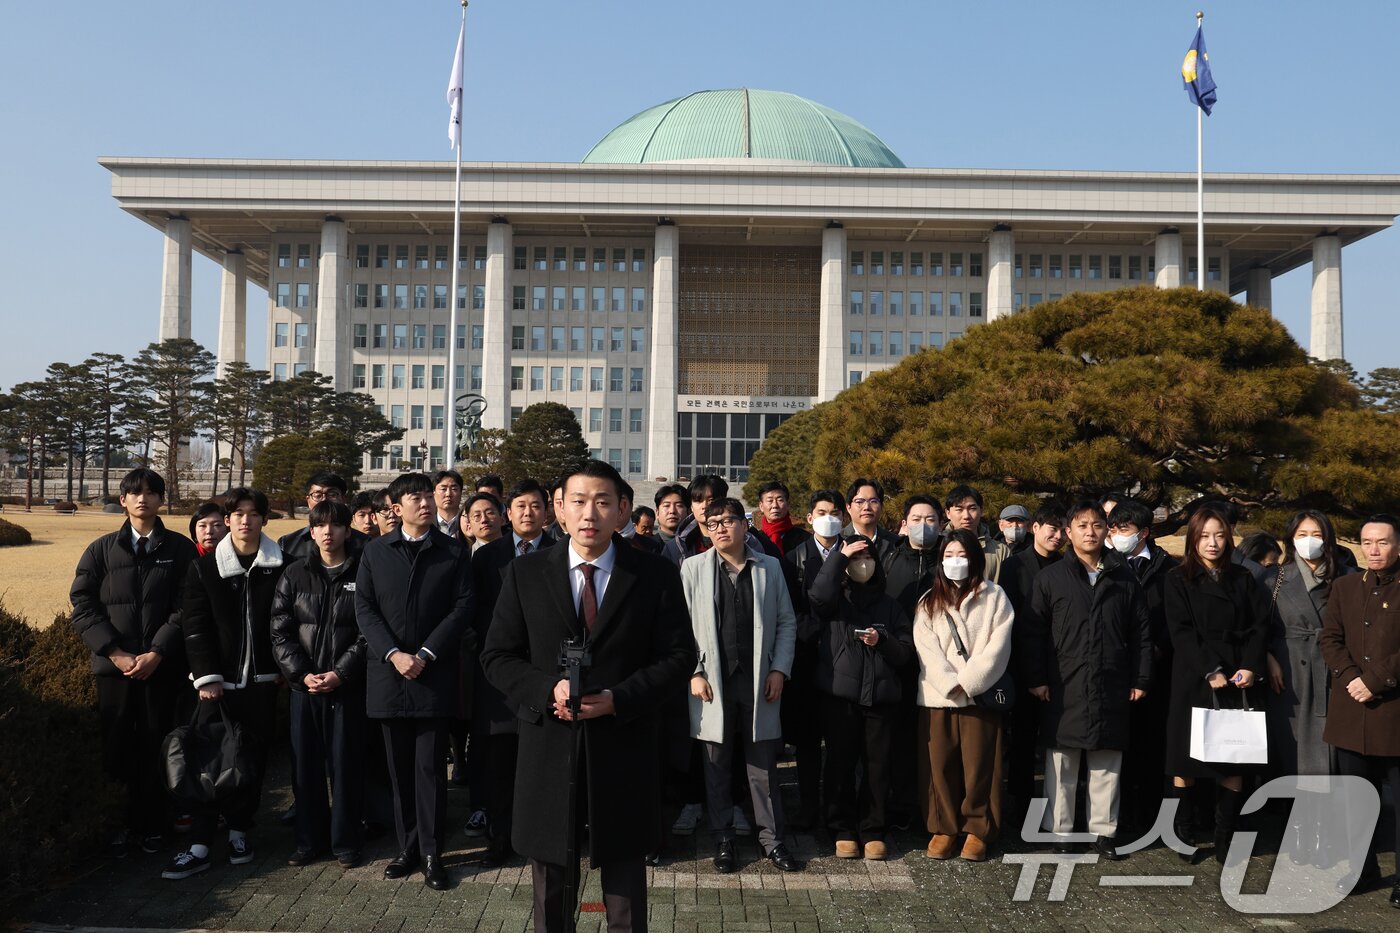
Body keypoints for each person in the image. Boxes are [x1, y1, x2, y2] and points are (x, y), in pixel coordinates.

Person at [482, 460, 696, 933]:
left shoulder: (654, 574)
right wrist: (545, 688)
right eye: (578, 501)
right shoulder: (526, 573)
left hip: (623, 745)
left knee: (624, 886)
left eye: (602, 502)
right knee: (550, 889)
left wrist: (620, 697)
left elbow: (680, 657)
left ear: (622, 509)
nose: (589, 514)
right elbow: (497, 656)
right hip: (548, 746)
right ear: (559, 508)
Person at [355, 472, 475, 891]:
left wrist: (424, 653)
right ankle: (405, 848)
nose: (425, 503)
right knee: (398, 768)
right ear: (396, 506)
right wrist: (394, 654)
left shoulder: (452, 551)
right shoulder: (375, 551)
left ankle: (431, 851)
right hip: (388, 674)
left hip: (432, 673)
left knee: (429, 769)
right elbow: (365, 608)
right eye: (415, 497)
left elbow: (462, 608)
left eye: (428, 496)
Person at [71, 468, 198, 858]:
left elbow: (186, 608)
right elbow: (83, 605)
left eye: (150, 492)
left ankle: (154, 826)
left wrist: (157, 651)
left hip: (163, 669)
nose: (142, 499)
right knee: (117, 748)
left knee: (159, 746)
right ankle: (117, 828)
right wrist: (115, 652)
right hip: (115, 671)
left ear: (162, 499)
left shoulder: (180, 549)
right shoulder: (100, 550)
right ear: (122, 500)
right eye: (133, 493)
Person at [164, 487, 286, 880]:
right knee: (207, 760)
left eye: (253, 514)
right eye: (238, 514)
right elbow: (195, 626)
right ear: (228, 519)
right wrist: (207, 677)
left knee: (251, 761)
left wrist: (285, 669)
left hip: (265, 683)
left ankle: (238, 834)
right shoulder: (205, 567)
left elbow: (286, 624)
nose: (245, 521)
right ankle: (200, 844)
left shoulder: (282, 564)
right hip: (215, 687)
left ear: (264, 519)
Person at [1020, 500, 1151, 860]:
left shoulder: (1124, 578)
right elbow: (1033, 633)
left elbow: (1141, 632)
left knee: (1106, 762)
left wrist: (1141, 678)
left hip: (1112, 679)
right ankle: (1060, 831)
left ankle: (1103, 832)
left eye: (1096, 525)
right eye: (1081, 525)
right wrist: (1036, 677)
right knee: (1061, 761)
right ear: (1068, 532)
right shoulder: (1050, 579)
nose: (1090, 532)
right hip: (1063, 681)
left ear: (1106, 531)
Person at [682, 497, 801, 873]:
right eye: (712, 522)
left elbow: (786, 622)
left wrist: (779, 669)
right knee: (716, 764)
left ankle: (772, 840)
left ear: (745, 525)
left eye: (727, 520)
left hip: (759, 681)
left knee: (763, 766)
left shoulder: (769, 568)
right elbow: (680, 628)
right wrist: (694, 672)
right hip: (711, 682)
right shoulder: (693, 568)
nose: (719, 528)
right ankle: (723, 839)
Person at [1163, 504, 1271, 864]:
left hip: (1239, 675)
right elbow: (1180, 630)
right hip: (1194, 676)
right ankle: (1185, 831)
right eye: (1205, 535)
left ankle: (1225, 835)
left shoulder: (1242, 578)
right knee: (1186, 758)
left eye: (1219, 535)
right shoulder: (1177, 578)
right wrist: (1210, 668)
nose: (1212, 543)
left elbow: (1259, 628)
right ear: (1193, 538)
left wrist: (1251, 666)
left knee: (1233, 756)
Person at [269, 500, 368, 868]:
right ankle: (308, 842)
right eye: (320, 525)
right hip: (304, 689)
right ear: (311, 531)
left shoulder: (364, 572)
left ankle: (346, 842)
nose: (328, 532)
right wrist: (301, 673)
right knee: (305, 768)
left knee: (346, 766)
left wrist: (341, 673)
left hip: (347, 689)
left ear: (347, 530)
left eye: (336, 525)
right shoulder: (294, 574)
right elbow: (280, 631)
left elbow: (368, 632)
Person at [808, 531, 914, 860]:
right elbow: (818, 595)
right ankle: (841, 828)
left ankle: (873, 829)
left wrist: (881, 641)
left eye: (867, 558)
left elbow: (905, 652)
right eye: (856, 559)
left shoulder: (890, 605)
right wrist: (840, 556)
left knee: (877, 766)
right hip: (840, 695)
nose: (862, 564)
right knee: (839, 763)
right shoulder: (836, 600)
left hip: (881, 698)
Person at [914, 529, 1015, 862]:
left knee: (981, 765)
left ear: (974, 558)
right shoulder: (929, 601)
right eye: (948, 556)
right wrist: (947, 682)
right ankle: (944, 827)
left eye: (961, 555)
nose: (954, 562)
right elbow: (925, 647)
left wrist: (969, 683)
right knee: (939, 766)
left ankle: (977, 829)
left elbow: (998, 647)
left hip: (979, 698)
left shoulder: (996, 597)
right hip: (937, 697)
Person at [461, 479, 552, 844]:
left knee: (539, 760)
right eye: (520, 506)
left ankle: (538, 837)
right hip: (498, 674)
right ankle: (499, 838)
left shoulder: (561, 552)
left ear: (547, 512)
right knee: (497, 758)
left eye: (535, 506)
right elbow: (474, 612)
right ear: (507, 513)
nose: (527, 513)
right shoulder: (488, 556)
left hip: (545, 673)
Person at [1264, 510, 1355, 864]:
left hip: (1332, 673)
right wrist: (1268, 657)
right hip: (1289, 674)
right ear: (1290, 538)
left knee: (1328, 757)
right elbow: (1261, 628)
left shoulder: (1347, 578)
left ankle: (1324, 833)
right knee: (1295, 754)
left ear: (1329, 538)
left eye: (1316, 532)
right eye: (1302, 533)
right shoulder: (1274, 579)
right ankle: (1300, 829)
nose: (1309, 539)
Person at [1320, 514, 1400, 904]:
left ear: (1398, 545)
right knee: (1356, 800)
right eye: (1367, 542)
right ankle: (1363, 870)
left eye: (1382, 542)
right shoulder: (1345, 586)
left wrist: (1376, 680)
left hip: (1393, 712)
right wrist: (1351, 676)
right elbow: (1330, 638)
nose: (1374, 549)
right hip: (1351, 710)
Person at [1107, 498, 1179, 835]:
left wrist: (1153, 655)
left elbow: (1172, 621)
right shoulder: (1105, 565)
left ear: (1144, 533)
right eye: (1114, 528)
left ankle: (1150, 818)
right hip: (1113, 670)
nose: (1117, 535)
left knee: (1151, 748)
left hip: (1156, 673)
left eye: (1126, 529)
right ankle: (1116, 818)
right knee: (1116, 748)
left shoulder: (1167, 570)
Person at [781, 489, 848, 830]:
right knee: (807, 743)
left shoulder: (855, 554)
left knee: (839, 742)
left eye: (835, 512)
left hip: (845, 659)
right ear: (809, 518)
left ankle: (837, 812)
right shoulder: (794, 558)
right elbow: (789, 610)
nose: (829, 518)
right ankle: (808, 809)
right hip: (807, 662)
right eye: (822, 511)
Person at [999, 502, 1065, 828]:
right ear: (1035, 528)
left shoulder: (1068, 565)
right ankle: (1022, 808)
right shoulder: (1014, 567)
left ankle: (1056, 810)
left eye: (1061, 530)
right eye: (1051, 528)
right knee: (1023, 742)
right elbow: (1010, 618)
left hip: (1059, 666)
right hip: (1022, 664)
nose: (1057, 536)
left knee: (1056, 741)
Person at [884, 494, 944, 830]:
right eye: (917, 519)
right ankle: (901, 804)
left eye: (931, 519)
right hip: (899, 661)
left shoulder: (950, 560)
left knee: (934, 738)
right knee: (900, 737)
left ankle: (933, 806)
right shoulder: (890, 558)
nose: (924, 526)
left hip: (940, 667)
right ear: (904, 524)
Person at [663, 474, 775, 566]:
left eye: (711, 500)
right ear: (691, 507)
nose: (704, 506)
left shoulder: (756, 542)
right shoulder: (675, 548)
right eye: (698, 500)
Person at [279, 473, 368, 561]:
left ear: (343, 499)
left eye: (332, 495)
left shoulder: (366, 543)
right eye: (318, 495)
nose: (324, 500)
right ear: (308, 501)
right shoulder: (287, 544)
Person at [944, 485, 1011, 584]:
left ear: (981, 511)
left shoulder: (1000, 551)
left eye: (972, 509)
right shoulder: (939, 546)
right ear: (948, 513)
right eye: (959, 509)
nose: (966, 516)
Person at [844, 478, 899, 565]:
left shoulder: (896, 543)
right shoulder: (839, 541)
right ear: (848, 507)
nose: (866, 507)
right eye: (859, 502)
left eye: (873, 501)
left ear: (881, 506)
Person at [755, 481, 811, 557]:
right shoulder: (755, 540)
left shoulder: (805, 539)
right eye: (770, 501)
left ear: (788, 505)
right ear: (761, 506)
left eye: (780, 500)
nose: (775, 505)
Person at [617, 480, 664, 556]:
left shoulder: (652, 546)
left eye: (622, 501)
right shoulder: (596, 542)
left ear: (630, 505)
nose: (617, 506)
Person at [432, 470, 464, 539]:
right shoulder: (426, 525)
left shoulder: (468, 524)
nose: (448, 494)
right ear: (433, 493)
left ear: (461, 493)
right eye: (443, 489)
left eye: (454, 489)